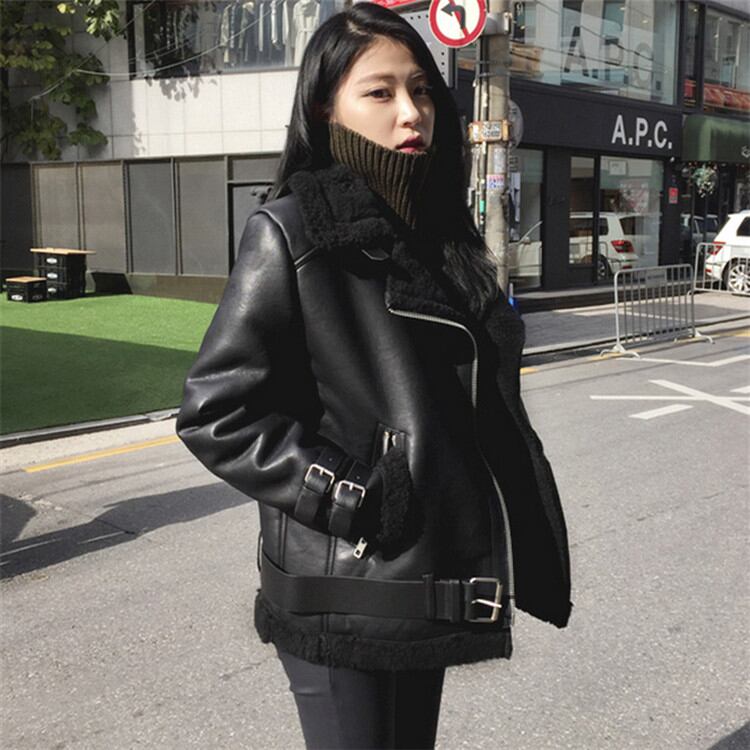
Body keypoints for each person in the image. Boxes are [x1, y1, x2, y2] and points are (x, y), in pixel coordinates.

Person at [176, 4, 573, 748]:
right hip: (342, 583)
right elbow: (217, 412)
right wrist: (353, 496)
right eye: (380, 92)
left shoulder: (439, 234)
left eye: (421, 90)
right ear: (326, 108)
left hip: (420, 579)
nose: (411, 112)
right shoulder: (293, 231)